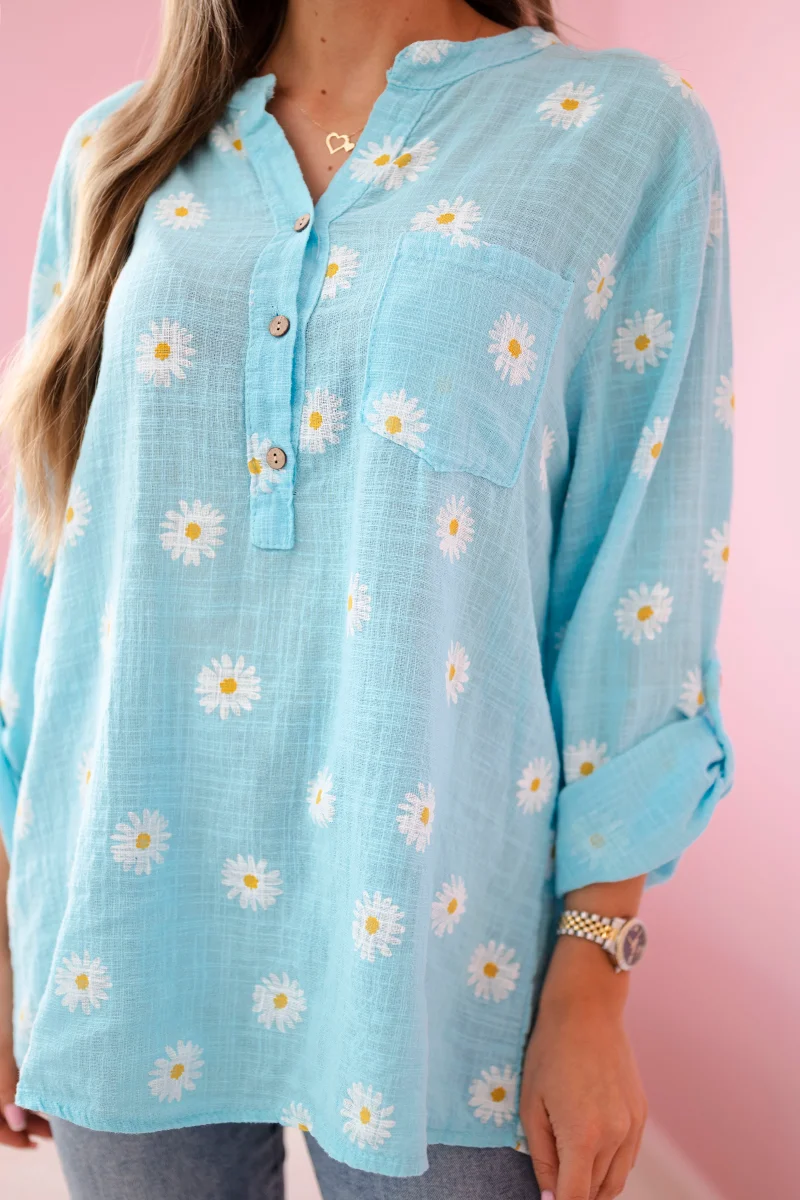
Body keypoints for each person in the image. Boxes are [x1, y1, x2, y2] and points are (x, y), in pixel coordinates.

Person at [0, 1, 734, 1197]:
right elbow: (52, 578)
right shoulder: (115, 152)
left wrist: (592, 980)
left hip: (436, 943)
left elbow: (634, 580)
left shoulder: (619, 131)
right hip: (123, 928)